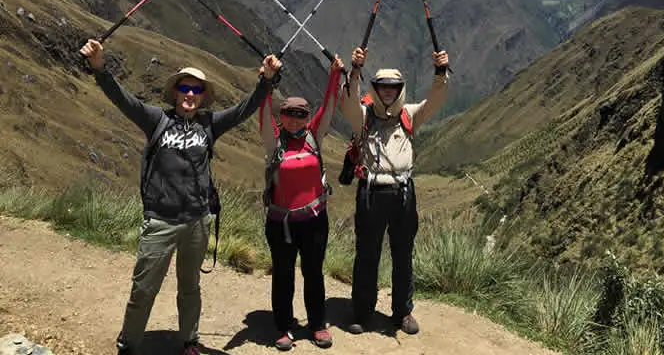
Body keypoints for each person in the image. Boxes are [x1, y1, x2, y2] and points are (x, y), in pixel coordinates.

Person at [79, 39, 278, 355]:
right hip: (160, 221)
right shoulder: (156, 119)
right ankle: (128, 345)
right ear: (175, 92)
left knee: (190, 288)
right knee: (144, 289)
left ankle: (189, 340)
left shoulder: (209, 124)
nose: (190, 94)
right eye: (185, 88)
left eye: (197, 90)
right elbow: (122, 99)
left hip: (197, 221)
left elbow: (245, 108)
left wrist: (266, 80)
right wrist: (99, 67)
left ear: (202, 96)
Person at [339, 46, 449, 335]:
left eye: (393, 87)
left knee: (403, 254)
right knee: (366, 254)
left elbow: (436, 101)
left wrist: (440, 73)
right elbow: (347, 101)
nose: (388, 91)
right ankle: (362, 312)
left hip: (402, 191)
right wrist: (355, 71)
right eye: (382, 87)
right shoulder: (362, 115)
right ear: (374, 88)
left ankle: (402, 312)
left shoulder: (410, 114)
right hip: (371, 191)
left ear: (400, 89)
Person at [259, 54, 344, 351]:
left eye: (300, 114)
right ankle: (283, 327)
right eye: (288, 113)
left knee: (313, 272)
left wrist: (335, 74)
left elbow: (330, 104)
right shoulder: (273, 141)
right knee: (283, 274)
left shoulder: (314, 137)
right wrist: (266, 81)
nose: (294, 119)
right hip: (280, 222)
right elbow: (262, 107)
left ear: (308, 118)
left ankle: (318, 324)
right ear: (281, 116)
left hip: (314, 220)